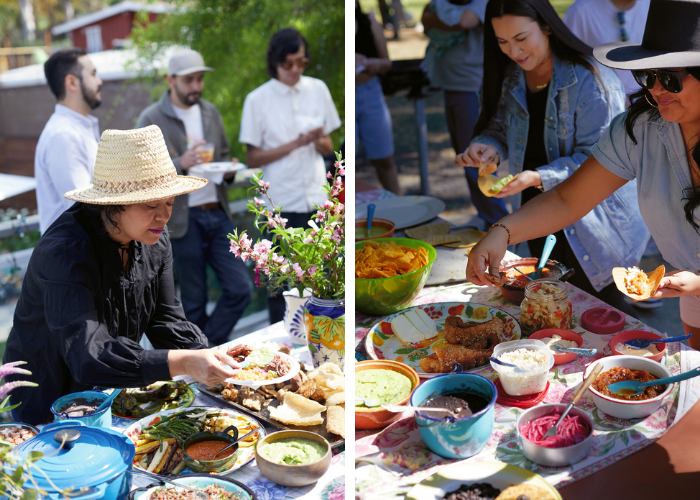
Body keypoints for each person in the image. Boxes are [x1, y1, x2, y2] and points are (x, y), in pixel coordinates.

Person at [465, 0, 700, 350]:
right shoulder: (640, 129)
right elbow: (567, 198)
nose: (655, 89)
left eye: (668, 78)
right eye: (646, 76)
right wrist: (502, 231)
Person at [3, 126, 242, 425]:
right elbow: (88, 354)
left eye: (170, 202)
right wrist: (183, 363)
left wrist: (211, 359)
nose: (164, 216)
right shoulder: (64, 252)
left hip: (111, 390)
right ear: (112, 205)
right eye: (151, 204)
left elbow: (165, 320)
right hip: (48, 395)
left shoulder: (155, 236)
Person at [455, 0, 649, 315]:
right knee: (544, 315)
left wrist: (538, 177)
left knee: (598, 319)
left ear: (546, 26)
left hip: (595, 230)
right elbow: (500, 128)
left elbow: (600, 162)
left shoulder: (592, 79)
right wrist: (488, 146)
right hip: (532, 221)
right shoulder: (513, 77)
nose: (513, 52)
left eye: (520, 39)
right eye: (502, 42)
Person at [136, 49, 252, 347]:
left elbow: (223, 156)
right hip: (180, 219)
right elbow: (141, 175)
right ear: (170, 80)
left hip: (218, 212)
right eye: (189, 80)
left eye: (200, 79)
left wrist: (229, 170)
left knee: (241, 288)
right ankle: (199, 363)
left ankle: (203, 350)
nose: (196, 86)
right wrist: (181, 164)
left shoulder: (210, 111)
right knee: (194, 300)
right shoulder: (151, 118)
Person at [240, 28, 341, 324]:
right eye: (288, 64)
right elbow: (252, 157)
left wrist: (314, 139)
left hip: (316, 199)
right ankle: (279, 351)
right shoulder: (256, 99)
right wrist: (295, 143)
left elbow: (328, 146)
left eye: (301, 62)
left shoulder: (318, 89)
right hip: (279, 206)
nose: (295, 69)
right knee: (280, 288)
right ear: (275, 63)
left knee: (323, 284)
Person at [422, 0, 508, 227]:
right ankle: (490, 218)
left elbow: (464, 21)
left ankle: (500, 224)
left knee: (476, 163)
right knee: (466, 158)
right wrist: (433, 18)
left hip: (471, 90)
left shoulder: (481, 2)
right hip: (453, 87)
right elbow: (424, 18)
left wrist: (434, 18)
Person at [35, 48, 102, 234]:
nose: (100, 81)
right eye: (93, 74)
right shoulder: (64, 136)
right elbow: (84, 209)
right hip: (75, 258)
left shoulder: (76, 130)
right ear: (72, 82)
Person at [355, 0, 402, 195]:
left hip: (369, 92)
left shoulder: (369, 22)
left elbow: (387, 62)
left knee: (384, 159)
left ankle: (399, 208)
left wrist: (375, 64)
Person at [563, 0, 650, 98]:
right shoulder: (581, 11)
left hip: (650, 103)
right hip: (602, 103)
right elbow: (565, 65)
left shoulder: (654, 5)